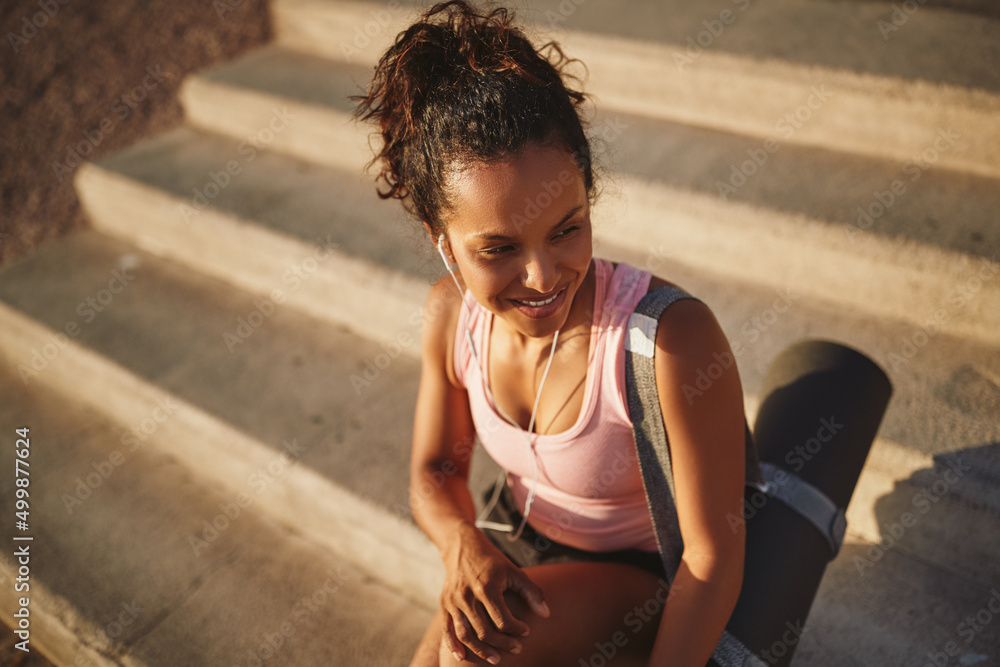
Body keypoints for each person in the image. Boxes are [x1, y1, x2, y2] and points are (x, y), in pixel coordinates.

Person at [354, 2, 746, 665]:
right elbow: (436, 469)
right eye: (498, 248)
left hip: (642, 575)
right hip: (514, 543)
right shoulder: (452, 315)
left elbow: (714, 555)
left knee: (472, 656)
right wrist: (461, 546)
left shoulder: (668, 342)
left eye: (567, 227)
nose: (542, 276)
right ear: (440, 239)